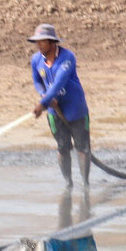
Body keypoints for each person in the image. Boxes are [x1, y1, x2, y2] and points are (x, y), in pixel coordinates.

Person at [27, 22, 89, 187]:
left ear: (52, 42)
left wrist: (42, 103)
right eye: (37, 41)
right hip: (55, 112)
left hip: (75, 109)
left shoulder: (67, 58)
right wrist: (45, 96)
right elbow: (37, 81)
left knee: (82, 148)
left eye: (42, 41)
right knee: (62, 148)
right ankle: (68, 184)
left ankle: (85, 184)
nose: (38, 45)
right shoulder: (36, 60)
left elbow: (59, 83)